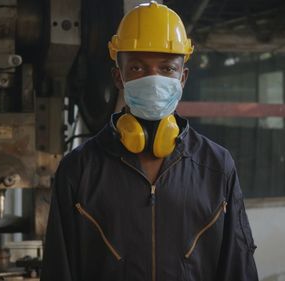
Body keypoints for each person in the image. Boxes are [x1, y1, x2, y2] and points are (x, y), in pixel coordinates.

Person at [41, 2, 258, 280]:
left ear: (183, 77)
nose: (154, 80)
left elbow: (238, 269)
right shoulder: (78, 170)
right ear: (118, 77)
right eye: (138, 68)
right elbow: (58, 270)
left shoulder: (216, 167)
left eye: (167, 69)